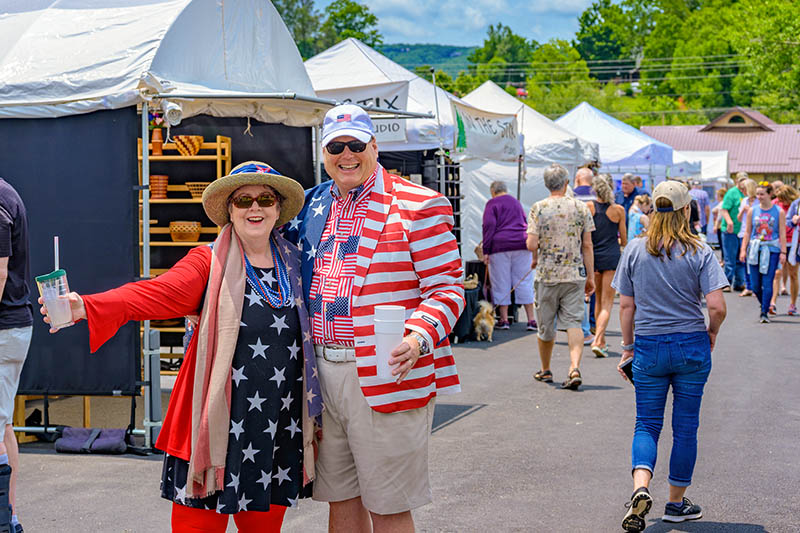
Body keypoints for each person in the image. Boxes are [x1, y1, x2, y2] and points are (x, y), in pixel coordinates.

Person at [39, 162, 322, 532]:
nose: (255, 208)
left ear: (278, 207)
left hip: (273, 424)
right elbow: (156, 292)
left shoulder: (297, 262)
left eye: (265, 198)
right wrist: (86, 306)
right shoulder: (209, 261)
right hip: (214, 424)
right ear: (229, 210)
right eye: (243, 201)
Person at [283, 104, 464, 533]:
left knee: (388, 508)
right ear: (323, 152)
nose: (346, 155)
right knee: (339, 501)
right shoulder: (309, 206)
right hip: (322, 377)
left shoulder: (420, 205)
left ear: (374, 146)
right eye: (336, 146)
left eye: (356, 145)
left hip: (389, 372)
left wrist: (419, 336)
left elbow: (447, 288)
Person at [613, 181, 728, 532]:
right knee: (685, 427)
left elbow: (626, 305)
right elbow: (716, 306)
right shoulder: (700, 251)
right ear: (686, 210)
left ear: (653, 210)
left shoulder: (634, 250)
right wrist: (711, 332)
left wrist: (628, 347)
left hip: (648, 345)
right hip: (691, 344)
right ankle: (676, 504)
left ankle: (640, 487)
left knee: (647, 422)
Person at [527, 163, 595, 390]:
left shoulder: (538, 208)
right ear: (566, 183)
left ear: (547, 184)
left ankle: (545, 369)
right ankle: (574, 367)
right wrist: (590, 276)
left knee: (546, 326)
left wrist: (536, 255)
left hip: (547, 275)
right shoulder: (581, 207)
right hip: (574, 273)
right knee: (574, 322)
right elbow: (587, 245)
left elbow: (531, 243)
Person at [0, 178, 32, 533]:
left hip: (4, 329)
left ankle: (5, 521)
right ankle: (9, 515)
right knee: (2, 422)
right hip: (11, 327)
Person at [482, 181, 536, 331]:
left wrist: (486, 250)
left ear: (493, 191)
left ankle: (504, 320)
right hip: (521, 243)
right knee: (524, 281)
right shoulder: (516, 202)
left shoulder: (492, 204)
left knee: (501, 282)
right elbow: (525, 222)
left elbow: (488, 226)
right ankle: (531, 320)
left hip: (500, 246)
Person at [586, 174, 626, 358]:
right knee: (607, 304)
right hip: (611, 257)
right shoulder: (618, 210)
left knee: (598, 300)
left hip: (594, 258)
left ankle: (600, 340)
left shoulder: (589, 208)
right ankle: (597, 340)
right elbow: (624, 239)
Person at [740, 182, 787, 323]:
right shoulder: (752, 211)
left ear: (770, 194)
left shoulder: (779, 212)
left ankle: (764, 311)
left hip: (771, 249)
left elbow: (782, 234)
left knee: (767, 282)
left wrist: (783, 252)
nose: (759, 197)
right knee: (755, 285)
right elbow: (748, 232)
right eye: (757, 194)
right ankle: (764, 303)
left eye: (762, 194)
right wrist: (743, 249)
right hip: (755, 249)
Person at [770, 185, 799, 314]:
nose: (782, 202)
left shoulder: (795, 204)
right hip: (780, 242)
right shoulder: (775, 204)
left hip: (794, 242)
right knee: (776, 273)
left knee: (793, 273)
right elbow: (786, 221)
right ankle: (772, 303)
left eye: (783, 199)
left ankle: (792, 304)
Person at [719, 172, 749, 291]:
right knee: (730, 258)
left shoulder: (747, 193)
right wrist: (729, 222)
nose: (743, 183)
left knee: (741, 259)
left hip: (742, 231)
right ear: (737, 181)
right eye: (741, 180)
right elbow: (724, 209)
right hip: (730, 230)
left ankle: (739, 283)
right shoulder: (732, 193)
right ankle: (727, 282)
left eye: (745, 180)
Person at [736, 179, 758, 297]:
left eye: (743, 188)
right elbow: (739, 219)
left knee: (755, 261)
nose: (742, 191)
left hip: (756, 235)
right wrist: (743, 211)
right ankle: (748, 286)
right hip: (743, 232)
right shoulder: (744, 201)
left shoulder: (758, 201)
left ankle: (756, 286)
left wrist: (750, 210)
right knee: (744, 260)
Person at [786, 191, 800, 315]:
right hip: (797, 244)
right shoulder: (796, 204)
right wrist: (793, 220)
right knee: (794, 274)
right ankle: (793, 304)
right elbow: (788, 221)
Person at [710, 187, 727, 260]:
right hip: (721, 225)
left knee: (722, 244)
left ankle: (723, 259)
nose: (716, 197)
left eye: (717, 195)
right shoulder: (722, 203)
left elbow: (719, 216)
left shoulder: (722, 203)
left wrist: (715, 226)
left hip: (720, 226)